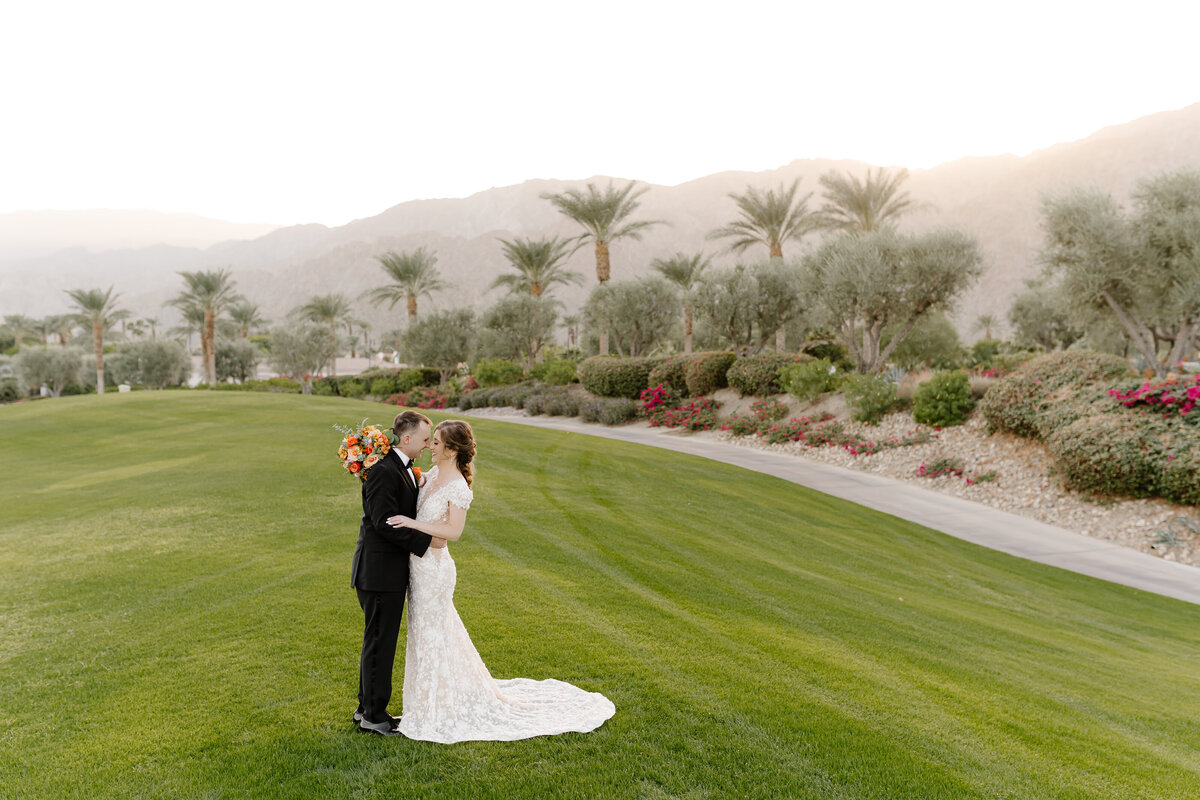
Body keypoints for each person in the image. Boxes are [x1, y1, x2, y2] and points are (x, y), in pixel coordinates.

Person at [386, 419, 615, 743]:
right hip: (419, 568)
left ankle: (430, 710)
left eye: (436, 442)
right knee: (425, 634)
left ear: (451, 450)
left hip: (435, 572)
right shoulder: (433, 475)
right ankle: (424, 704)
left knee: (431, 635)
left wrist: (411, 523)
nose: (430, 447)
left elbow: (454, 531)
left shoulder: (458, 488)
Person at [351, 410, 433, 736]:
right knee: (380, 644)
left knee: (377, 642)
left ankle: (366, 708)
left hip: (383, 571)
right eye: (426, 440)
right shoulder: (385, 471)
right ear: (408, 437)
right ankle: (374, 716)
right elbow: (383, 521)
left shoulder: (401, 468)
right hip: (379, 573)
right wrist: (426, 542)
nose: (428, 445)